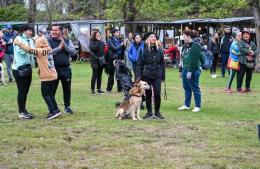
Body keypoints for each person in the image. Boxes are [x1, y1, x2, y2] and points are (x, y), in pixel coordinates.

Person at [14, 36, 62, 120]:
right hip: (53, 75)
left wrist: (19, 43)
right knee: (50, 94)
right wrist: (37, 39)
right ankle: (56, 109)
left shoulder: (40, 51)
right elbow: (42, 42)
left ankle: (52, 111)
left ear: (40, 44)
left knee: (45, 94)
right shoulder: (49, 48)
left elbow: (28, 49)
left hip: (46, 77)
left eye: (37, 43)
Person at [48, 25, 77, 114]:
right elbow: (48, 53)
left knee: (67, 89)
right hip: (53, 69)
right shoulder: (48, 41)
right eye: (52, 30)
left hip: (66, 69)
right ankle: (52, 108)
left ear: (61, 31)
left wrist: (65, 46)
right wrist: (59, 48)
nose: (53, 32)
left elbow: (73, 52)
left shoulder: (67, 41)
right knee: (52, 90)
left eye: (56, 30)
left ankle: (67, 107)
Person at [136, 32, 165, 119]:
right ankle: (149, 112)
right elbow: (139, 64)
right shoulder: (142, 49)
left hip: (157, 75)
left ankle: (157, 112)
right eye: (151, 36)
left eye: (154, 37)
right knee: (148, 94)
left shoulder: (159, 49)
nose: (153, 38)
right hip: (147, 75)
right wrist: (138, 77)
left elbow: (162, 63)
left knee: (157, 94)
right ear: (148, 39)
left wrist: (163, 76)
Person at [178, 29, 205, 113]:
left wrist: (190, 71)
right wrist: (181, 70)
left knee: (195, 88)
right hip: (185, 69)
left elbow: (194, 60)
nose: (183, 37)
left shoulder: (195, 45)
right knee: (186, 87)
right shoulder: (185, 45)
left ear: (189, 36)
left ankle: (197, 106)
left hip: (193, 70)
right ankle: (186, 105)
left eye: (184, 36)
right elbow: (182, 58)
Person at [12, 24, 35, 119]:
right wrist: (29, 49)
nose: (30, 32)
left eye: (31, 31)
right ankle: (21, 112)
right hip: (19, 68)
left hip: (28, 67)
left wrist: (28, 48)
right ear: (24, 31)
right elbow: (22, 51)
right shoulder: (18, 39)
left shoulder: (30, 40)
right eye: (29, 30)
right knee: (21, 90)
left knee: (26, 90)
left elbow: (32, 51)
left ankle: (24, 110)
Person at [106, 28, 125, 93]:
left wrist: (122, 58)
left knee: (119, 74)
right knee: (111, 74)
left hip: (119, 58)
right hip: (112, 59)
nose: (118, 33)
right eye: (117, 32)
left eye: (118, 32)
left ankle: (120, 89)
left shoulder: (119, 40)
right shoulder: (110, 40)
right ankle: (109, 88)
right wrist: (121, 44)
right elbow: (114, 48)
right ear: (114, 33)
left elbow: (122, 50)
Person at [89, 31, 106, 95]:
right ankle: (92, 89)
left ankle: (99, 89)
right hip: (94, 61)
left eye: (99, 34)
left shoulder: (102, 42)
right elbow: (93, 48)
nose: (99, 36)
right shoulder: (91, 42)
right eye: (97, 35)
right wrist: (98, 41)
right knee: (95, 75)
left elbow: (103, 51)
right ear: (94, 36)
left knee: (100, 75)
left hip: (101, 60)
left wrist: (103, 58)